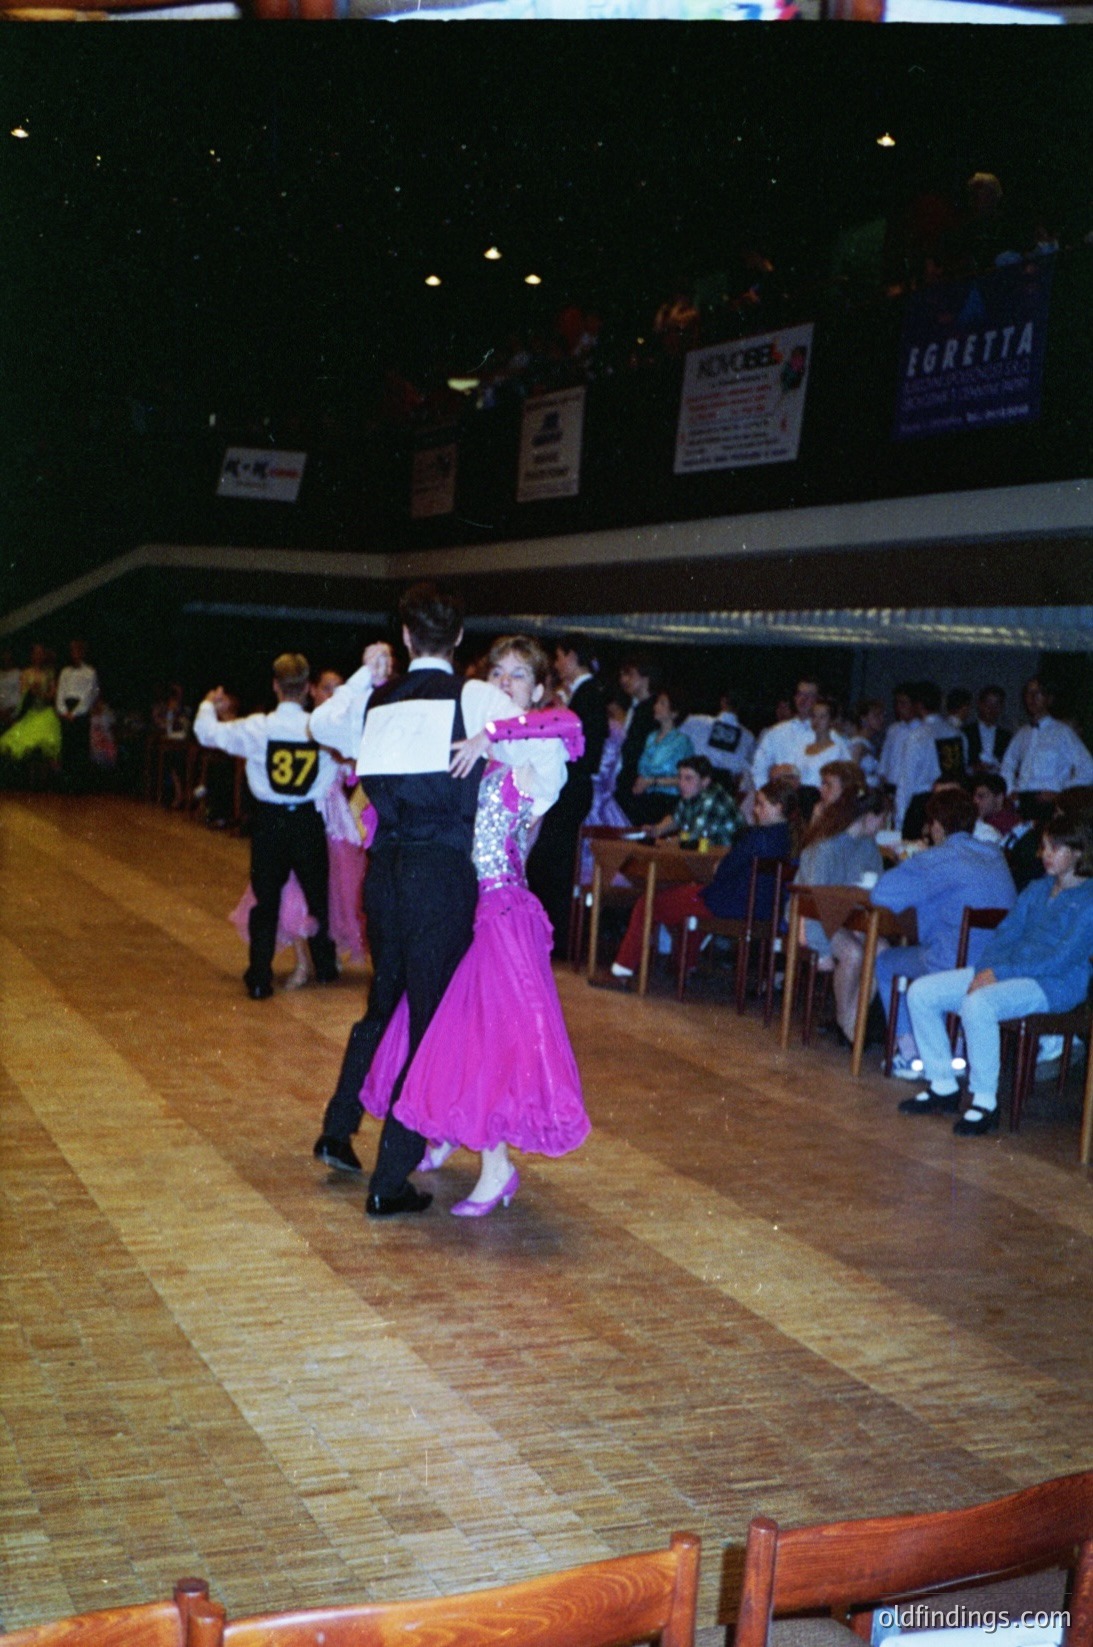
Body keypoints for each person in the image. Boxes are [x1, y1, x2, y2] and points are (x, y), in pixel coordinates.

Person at [309, 584, 524, 1217]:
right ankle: (389, 1179)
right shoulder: (477, 696)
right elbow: (548, 736)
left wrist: (364, 672)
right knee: (431, 1020)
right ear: (459, 639)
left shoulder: (377, 700)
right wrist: (495, 736)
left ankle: (338, 1125)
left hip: (385, 872)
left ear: (405, 638)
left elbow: (322, 723)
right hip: (439, 876)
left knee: (383, 1002)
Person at [358, 636, 590, 1215]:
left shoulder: (542, 754)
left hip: (500, 909)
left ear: (537, 688)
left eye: (519, 676)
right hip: (460, 901)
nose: (505, 683)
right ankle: (442, 1132)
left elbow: (568, 723)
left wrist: (495, 732)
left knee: (490, 1040)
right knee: (443, 1027)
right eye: (498, 673)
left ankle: (497, 1168)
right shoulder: (482, 746)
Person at [900, 813, 1093, 1136]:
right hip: (1009, 972)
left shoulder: (1088, 900)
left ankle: (985, 1101)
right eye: (1044, 847)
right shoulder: (1037, 888)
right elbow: (1005, 935)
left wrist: (998, 973)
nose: (1044, 854)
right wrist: (987, 970)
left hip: (1054, 985)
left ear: (1078, 852)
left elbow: (1060, 959)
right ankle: (944, 1084)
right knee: (922, 992)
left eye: (1054, 848)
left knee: (980, 1005)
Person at [194, 654, 340, 1001]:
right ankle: (325, 966)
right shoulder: (320, 727)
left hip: (270, 823)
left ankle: (259, 977)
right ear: (307, 688)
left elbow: (206, 734)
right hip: (306, 820)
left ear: (275, 685)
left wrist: (207, 704)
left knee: (266, 900)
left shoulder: (257, 727)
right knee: (316, 896)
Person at [228, 666, 378, 989]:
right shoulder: (310, 728)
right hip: (308, 817)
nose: (332, 695)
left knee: (327, 896)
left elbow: (356, 767)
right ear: (312, 690)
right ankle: (301, 962)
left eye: (339, 689)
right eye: (326, 688)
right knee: (290, 893)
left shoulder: (335, 728)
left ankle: (324, 960)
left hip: (333, 824)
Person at [861, 788, 1017, 1078]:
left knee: (887, 962)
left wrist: (912, 864)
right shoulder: (995, 855)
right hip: (996, 964)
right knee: (944, 950)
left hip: (952, 964)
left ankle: (910, 1054)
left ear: (936, 826)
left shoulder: (938, 858)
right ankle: (956, 1048)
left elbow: (881, 894)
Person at [610, 774, 795, 982]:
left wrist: (721, 866)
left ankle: (622, 969)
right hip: (765, 910)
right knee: (687, 901)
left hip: (730, 904)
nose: (755, 810)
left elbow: (724, 870)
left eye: (761, 805)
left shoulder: (757, 837)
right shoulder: (791, 839)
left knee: (648, 902)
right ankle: (684, 967)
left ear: (779, 807)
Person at [526, 634, 608, 957]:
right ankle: (549, 935)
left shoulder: (588, 695)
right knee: (551, 860)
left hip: (570, 789)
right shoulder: (579, 694)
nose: (558, 665)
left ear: (572, 657)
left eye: (560, 657)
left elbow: (587, 754)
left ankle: (554, 939)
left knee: (555, 862)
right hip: (567, 788)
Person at [797, 763, 886, 1045]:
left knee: (880, 949)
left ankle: (852, 1020)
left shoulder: (870, 848)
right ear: (868, 816)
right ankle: (848, 1024)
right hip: (814, 917)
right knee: (853, 953)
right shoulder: (827, 845)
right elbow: (813, 899)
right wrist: (821, 949)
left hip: (849, 916)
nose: (884, 825)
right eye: (882, 818)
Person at [1001, 677, 1093, 801]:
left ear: (1049, 699)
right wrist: (1010, 790)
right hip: (1021, 799)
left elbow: (1088, 769)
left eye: (1038, 693)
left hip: (1048, 802)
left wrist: (1061, 791)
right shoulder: (1021, 734)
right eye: (1029, 692)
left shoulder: (1063, 732)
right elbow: (1007, 765)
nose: (1032, 698)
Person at [626, 687, 694, 826]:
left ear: (674, 713)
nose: (656, 706)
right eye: (657, 702)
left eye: (662, 703)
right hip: (645, 797)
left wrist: (653, 781)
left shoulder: (681, 742)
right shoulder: (651, 737)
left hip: (667, 801)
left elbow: (685, 778)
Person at [0, 644, 62, 774]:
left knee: (46, 748)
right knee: (27, 748)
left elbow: (52, 694)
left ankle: (47, 782)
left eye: (41, 653)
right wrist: (29, 691)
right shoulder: (25, 673)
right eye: (36, 653)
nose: (38, 656)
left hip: (45, 713)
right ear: (31, 655)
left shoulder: (49, 672)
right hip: (30, 713)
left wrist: (40, 693)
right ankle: (32, 782)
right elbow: (22, 695)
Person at [751, 678, 819, 790]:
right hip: (778, 798)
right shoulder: (776, 732)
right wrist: (766, 794)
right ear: (795, 698)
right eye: (800, 694)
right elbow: (759, 767)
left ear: (817, 700)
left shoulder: (827, 737)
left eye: (809, 695)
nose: (803, 699)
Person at [55, 639, 99, 793]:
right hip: (66, 710)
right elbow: (60, 692)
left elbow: (89, 695)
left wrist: (75, 713)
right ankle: (66, 784)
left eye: (78, 650)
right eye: (72, 651)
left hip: (80, 711)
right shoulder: (65, 671)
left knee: (80, 748)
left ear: (83, 652)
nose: (75, 654)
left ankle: (79, 785)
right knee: (67, 747)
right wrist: (63, 711)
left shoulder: (90, 672)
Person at [964, 685, 1011, 774]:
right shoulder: (966, 732)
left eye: (996, 704)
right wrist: (973, 768)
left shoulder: (1006, 737)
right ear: (980, 704)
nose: (991, 709)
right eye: (988, 703)